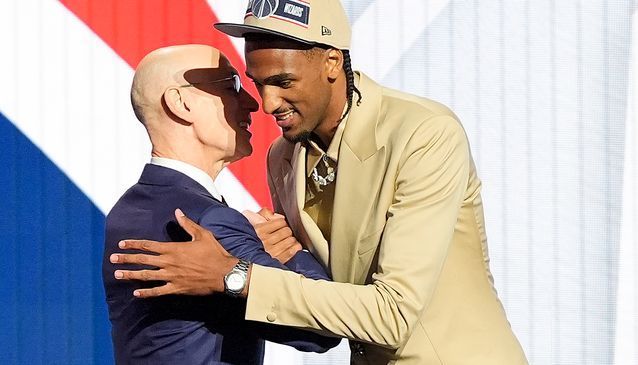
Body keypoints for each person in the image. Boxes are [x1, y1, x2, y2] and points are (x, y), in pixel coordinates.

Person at [110, 1, 529, 364]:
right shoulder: (283, 156)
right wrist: (278, 256)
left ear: (331, 62)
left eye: (283, 82)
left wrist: (238, 275)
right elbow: (315, 298)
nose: (266, 104)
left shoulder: (423, 134)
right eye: (256, 84)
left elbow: (393, 316)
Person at [103, 44, 339, 365]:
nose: (253, 104)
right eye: (231, 86)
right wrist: (293, 252)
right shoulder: (207, 221)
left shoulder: (129, 208)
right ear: (181, 103)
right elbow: (322, 328)